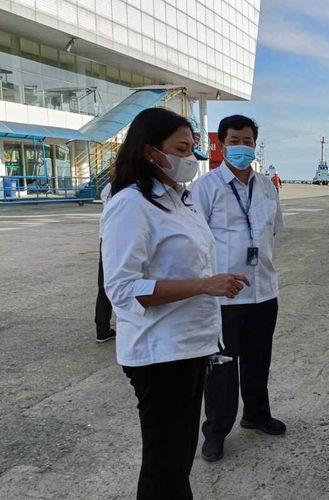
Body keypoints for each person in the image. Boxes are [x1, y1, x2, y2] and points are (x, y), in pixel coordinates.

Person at [101, 107, 248, 499]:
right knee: (165, 466)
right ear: (151, 151)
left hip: (190, 347)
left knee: (177, 460)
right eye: (181, 149)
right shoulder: (131, 205)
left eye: (193, 148)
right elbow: (124, 288)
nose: (191, 159)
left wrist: (213, 282)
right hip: (159, 353)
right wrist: (203, 285)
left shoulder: (179, 199)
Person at [191, 115, 285, 463]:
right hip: (225, 294)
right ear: (222, 144)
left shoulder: (266, 186)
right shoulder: (206, 187)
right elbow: (194, 239)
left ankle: (256, 413)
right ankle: (215, 430)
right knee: (222, 364)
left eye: (248, 141)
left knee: (259, 358)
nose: (242, 147)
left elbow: (272, 230)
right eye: (235, 140)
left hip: (264, 290)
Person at [95, 181, 115, 343]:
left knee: (104, 285)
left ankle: (102, 329)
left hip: (106, 238)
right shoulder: (135, 187)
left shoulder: (109, 187)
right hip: (122, 238)